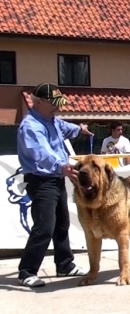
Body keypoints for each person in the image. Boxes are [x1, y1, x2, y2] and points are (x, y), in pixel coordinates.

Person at [16, 83, 94, 287]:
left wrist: (80, 129)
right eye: (53, 104)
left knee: (62, 224)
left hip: (56, 180)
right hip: (41, 182)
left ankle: (65, 264)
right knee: (44, 227)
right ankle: (27, 271)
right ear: (38, 102)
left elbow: (65, 128)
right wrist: (62, 166)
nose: (57, 108)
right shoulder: (31, 126)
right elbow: (41, 153)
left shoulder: (52, 121)